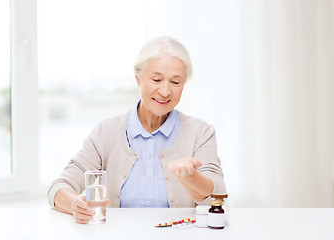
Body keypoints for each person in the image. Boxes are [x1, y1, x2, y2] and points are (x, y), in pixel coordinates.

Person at [47, 36, 226, 224]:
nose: (165, 91)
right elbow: (59, 187)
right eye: (156, 79)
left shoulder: (201, 132)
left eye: (175, 82)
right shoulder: (106, 132)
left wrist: (191, 177)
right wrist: (75, 204)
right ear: (138, 79)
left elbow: (218, 192)